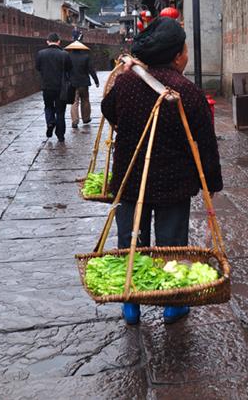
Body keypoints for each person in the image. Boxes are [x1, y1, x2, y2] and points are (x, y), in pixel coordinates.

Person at [101, 17, 223, 326]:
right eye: (185, 50)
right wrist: (210, 181)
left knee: (130, 241)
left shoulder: (127, 82)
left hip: (131, 179)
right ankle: (172, 305)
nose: (186, 55)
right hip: (173, 184)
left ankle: (131, 303)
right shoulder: (187, 91)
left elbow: (107, 110)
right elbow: (204, 143)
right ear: (177, 55)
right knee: (172, 244)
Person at [35, 33, 72, 142]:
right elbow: (70, 68)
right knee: (60, 111)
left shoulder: (41, 54)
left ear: (48, 41)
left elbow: (38, 67)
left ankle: (50, 122)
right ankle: (60, 135)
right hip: (61, 87)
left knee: (48, 107)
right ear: (59, 41)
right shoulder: (64, 54)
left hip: (46, 86)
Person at [65, 41, 100, 127]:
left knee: (74, 101)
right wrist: (96, 81)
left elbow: (65, 70)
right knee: (85, 100)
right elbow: (91, 70)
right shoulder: (86, 57)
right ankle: (86, 118)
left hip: (72, 83)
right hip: (84, 83)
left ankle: (75, 120)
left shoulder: (68, 57)